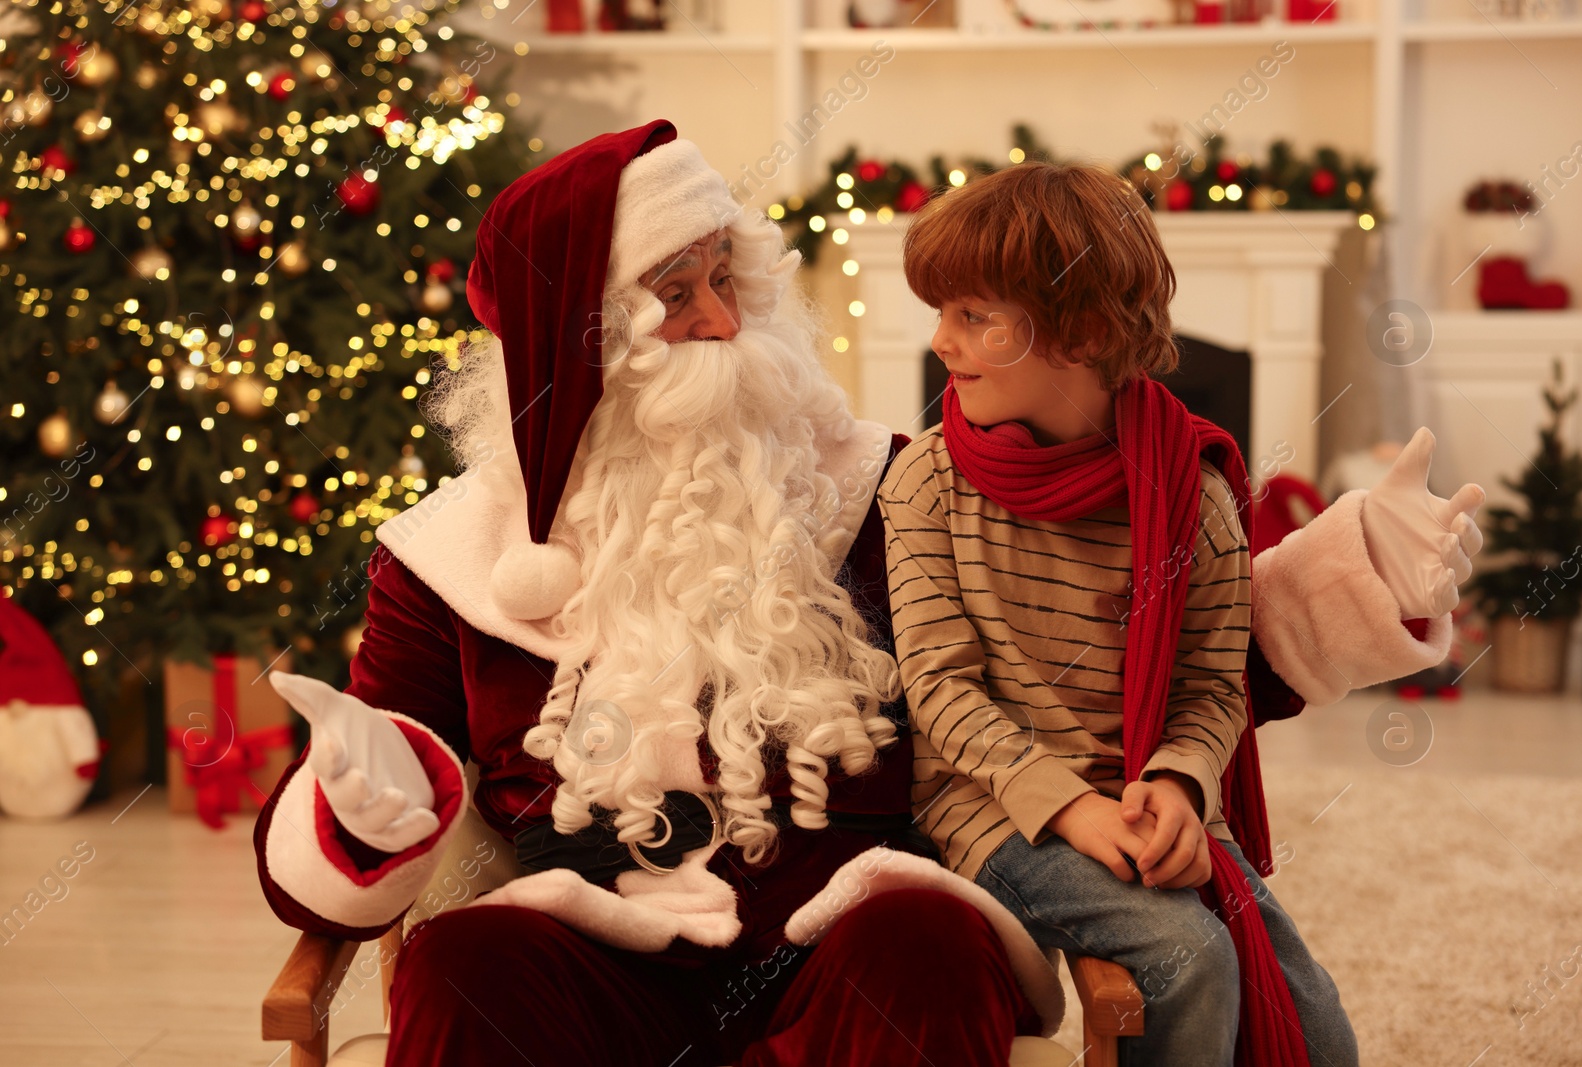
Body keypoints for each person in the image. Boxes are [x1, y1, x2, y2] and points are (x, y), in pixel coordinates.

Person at [252, 122, 1482, 1067]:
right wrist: (364, 794)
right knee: (465, 961)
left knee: (930, 939)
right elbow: (376, 766)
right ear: (578, 338)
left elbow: (1111, 639)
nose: (725, 321)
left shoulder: (887, 483)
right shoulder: (446, 558)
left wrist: (1350, 569)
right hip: (590, 934)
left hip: (840, 928)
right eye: (673, 297)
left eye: (726, 275)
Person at [876, 160, 1483, 1067]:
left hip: (1149, 799)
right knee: (1186, 956)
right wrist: (1073, 808)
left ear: (1079, 335)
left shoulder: (1192, 495)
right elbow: (940, 688)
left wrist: (1182, 785)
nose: (942, 341)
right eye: (941, 312)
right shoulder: (926, 480)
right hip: (996, 806)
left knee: (1320, 1035)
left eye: (974, 316)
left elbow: (1210, 682)